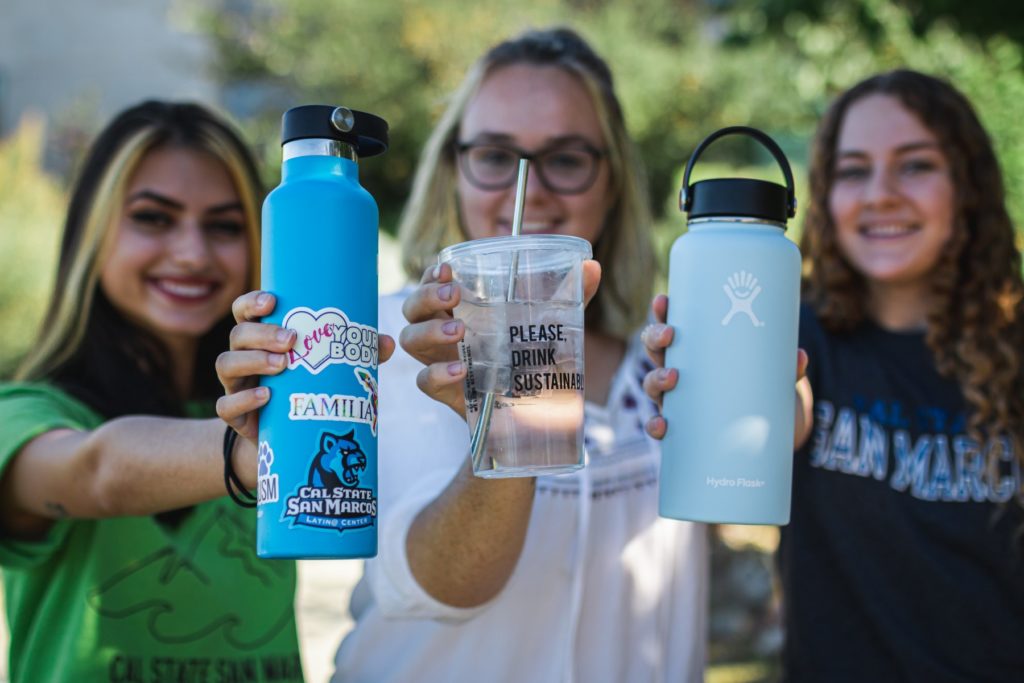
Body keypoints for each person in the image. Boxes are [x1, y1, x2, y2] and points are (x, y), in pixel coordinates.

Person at [217, 27, 709, 683]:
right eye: (495, 155)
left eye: (567, 158)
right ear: (453, 169)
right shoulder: (381, 339)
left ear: (613, 179)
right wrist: (507, 413)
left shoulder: (666, 364)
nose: (528, 189)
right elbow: (442, 585)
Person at [643, 69, 1024, 681]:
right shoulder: (789, 328)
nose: (880, 193)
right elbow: (785, 409)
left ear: (968, 185)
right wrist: (762, 417)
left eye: (916, 165)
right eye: (852, 170)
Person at [0, 101, 311, 682]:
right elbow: (99, 471)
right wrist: (258, 451)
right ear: (91, 233)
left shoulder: (271, 408)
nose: (192, 253)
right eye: (153, 217)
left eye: (224, 226)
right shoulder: (22, 415)